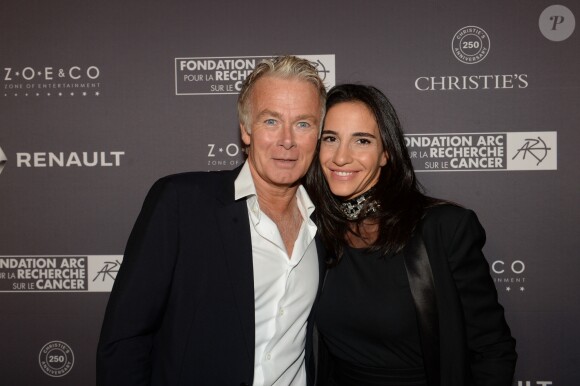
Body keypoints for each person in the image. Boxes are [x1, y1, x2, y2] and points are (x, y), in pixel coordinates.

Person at [96, 55, 327, 386]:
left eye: (303, 123)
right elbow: (125, 339)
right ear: (246, 130)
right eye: (271, 121)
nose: (287, 140)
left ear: (318, 134)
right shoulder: (182, 203)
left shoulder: (324, 226)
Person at [305, 84, 517, 386]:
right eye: (330, 139)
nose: (341, 157)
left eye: (362, 141)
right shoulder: (315, 229)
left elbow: (491, 349)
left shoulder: (443, 228)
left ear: (385, 153)